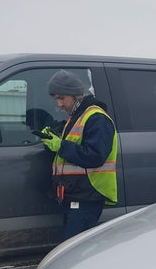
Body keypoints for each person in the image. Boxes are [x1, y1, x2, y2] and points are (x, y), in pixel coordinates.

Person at [40, 70, 118, 239]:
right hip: (76, 195)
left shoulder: (96, 118)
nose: (59, 104)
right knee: (72, 247)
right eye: (56, 99)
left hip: (88, 196)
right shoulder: (76, 116)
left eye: (62, 98)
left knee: (75, 249)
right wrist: (53, 137)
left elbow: (95, 156)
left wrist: (60, 145)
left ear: (75, 95)